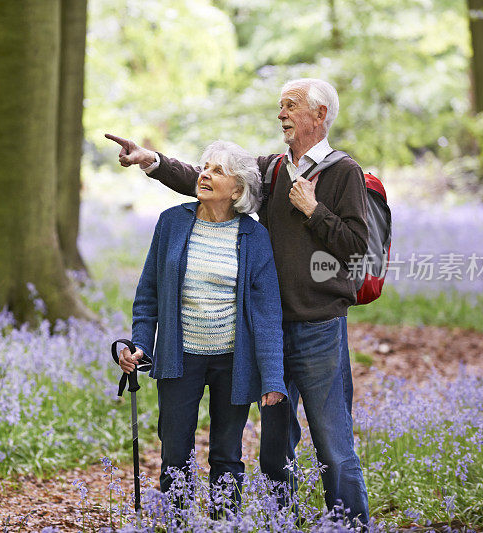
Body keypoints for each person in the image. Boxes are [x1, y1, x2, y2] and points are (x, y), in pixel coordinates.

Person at [106, 78, 370, 525]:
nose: (282, 113)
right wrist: (153, 162)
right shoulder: (270, 170)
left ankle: (352, 524)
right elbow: (215, 183)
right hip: (264, 331)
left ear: (319, 115)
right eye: (280, 106)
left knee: (334, 444)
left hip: (318, 327)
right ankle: (277, 520)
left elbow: (358, 249)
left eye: (291, 106)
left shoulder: (344, 173)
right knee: (273, 450)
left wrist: (313, 209)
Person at [115, 140, 287, 514]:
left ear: (238, 189)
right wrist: (141, 343)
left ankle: (225, 522)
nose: (205, 174)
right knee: (175, 453)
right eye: (204, 166)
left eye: (218, 170)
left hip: (233, 362)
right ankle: (176, 522)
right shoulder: (172, 223)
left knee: (227, 455)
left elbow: (268, 313)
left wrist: (273, 378)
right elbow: (148, 294)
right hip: (180, 358)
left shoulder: (254, 238)